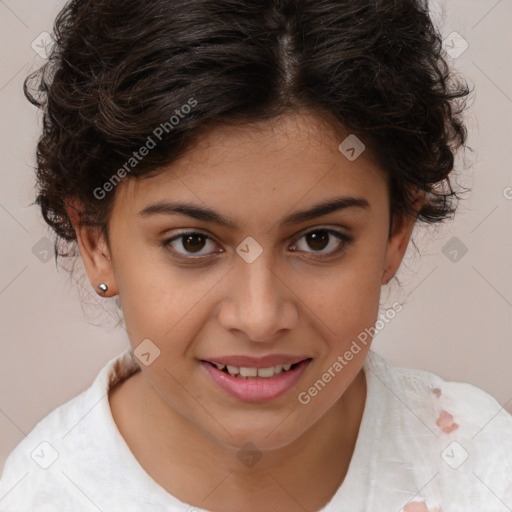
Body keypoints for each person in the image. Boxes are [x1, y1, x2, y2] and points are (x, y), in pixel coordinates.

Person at [1, 0, 511, 511]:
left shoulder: (480, 469)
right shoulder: (41, 495)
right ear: (96, 243)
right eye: (193, 242)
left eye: (319, 239)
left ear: (394, 233)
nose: (260, 318)